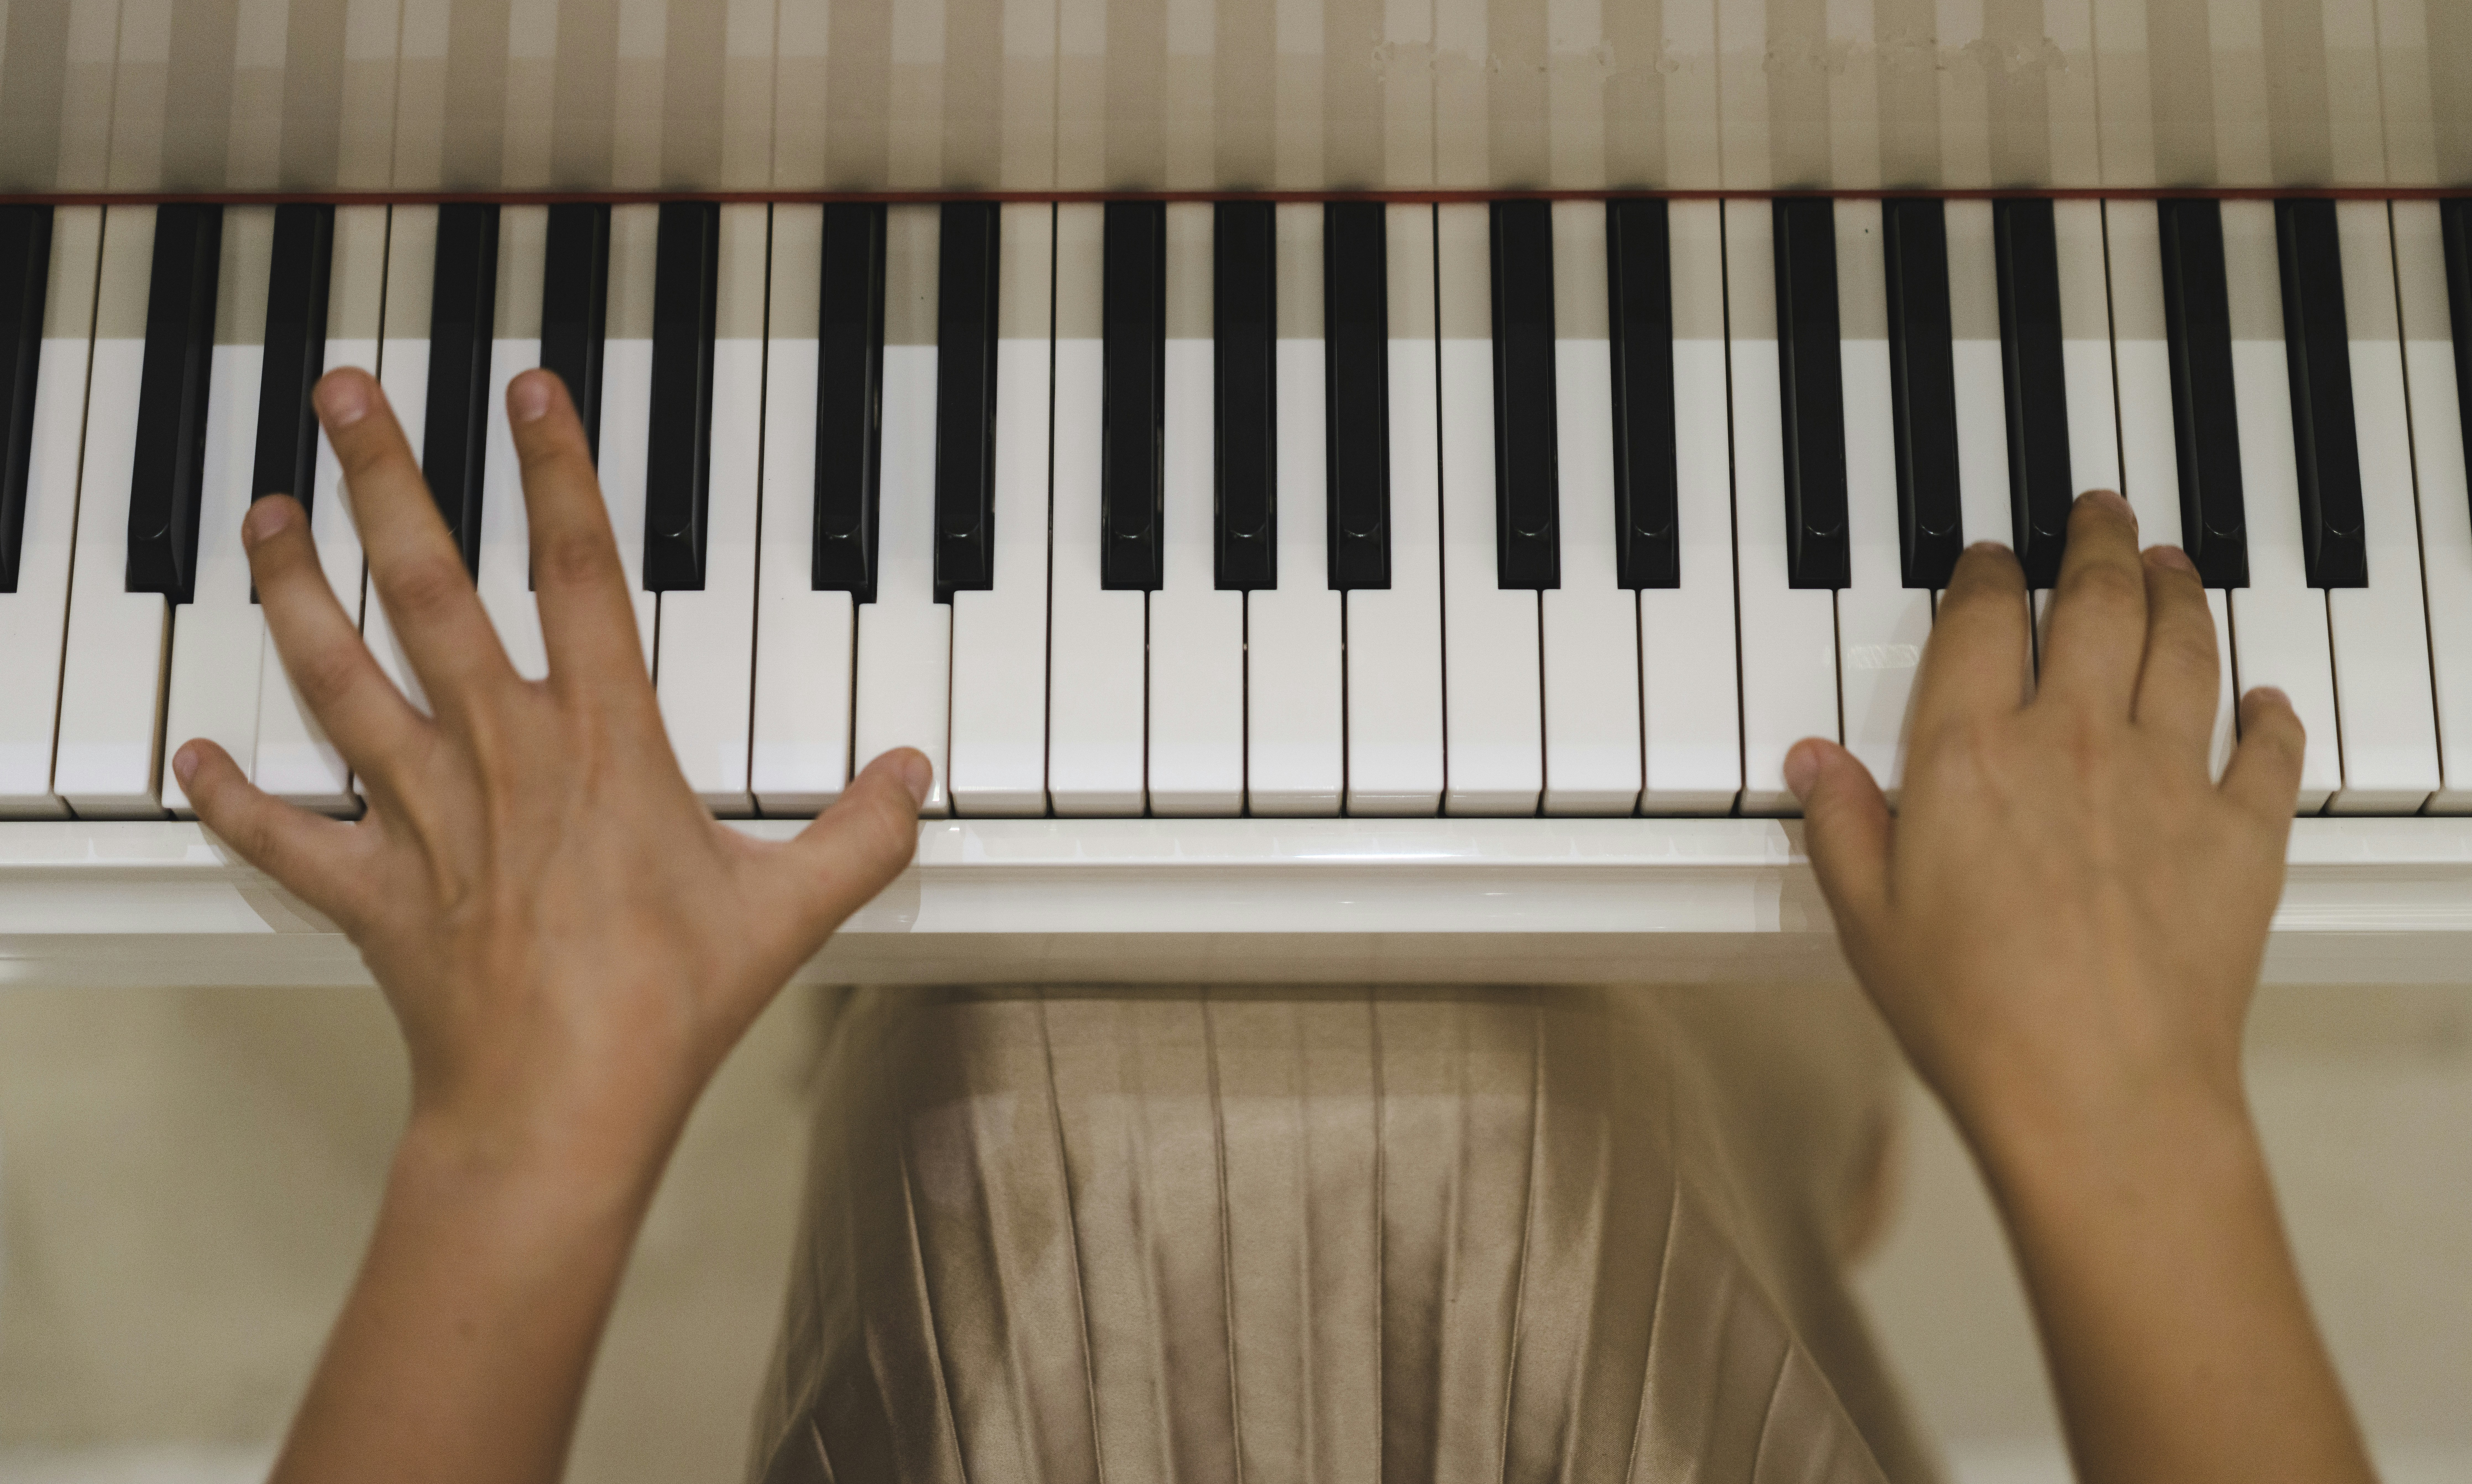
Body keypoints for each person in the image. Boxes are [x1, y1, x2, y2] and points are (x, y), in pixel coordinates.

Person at [174, 364, 2378, 1484]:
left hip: (1004, 1251)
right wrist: (2121, 1117)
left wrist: (529, 1128)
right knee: (1665, 1085)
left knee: (1012, 1070)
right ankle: (1801, 1124)